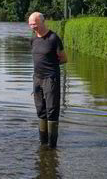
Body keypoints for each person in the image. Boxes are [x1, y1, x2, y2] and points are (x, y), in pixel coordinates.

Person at [28, 12, 67, 148]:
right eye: (30, 24)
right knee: (40, 110)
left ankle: (52, 146)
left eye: (34, 24)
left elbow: (64, 58)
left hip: (51, 78)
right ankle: (43, 143)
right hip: (37, 79)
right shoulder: (33, 39)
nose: (32, 27)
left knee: (52, 110)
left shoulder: (53, 38)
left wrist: (51, 66)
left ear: (42, 22)